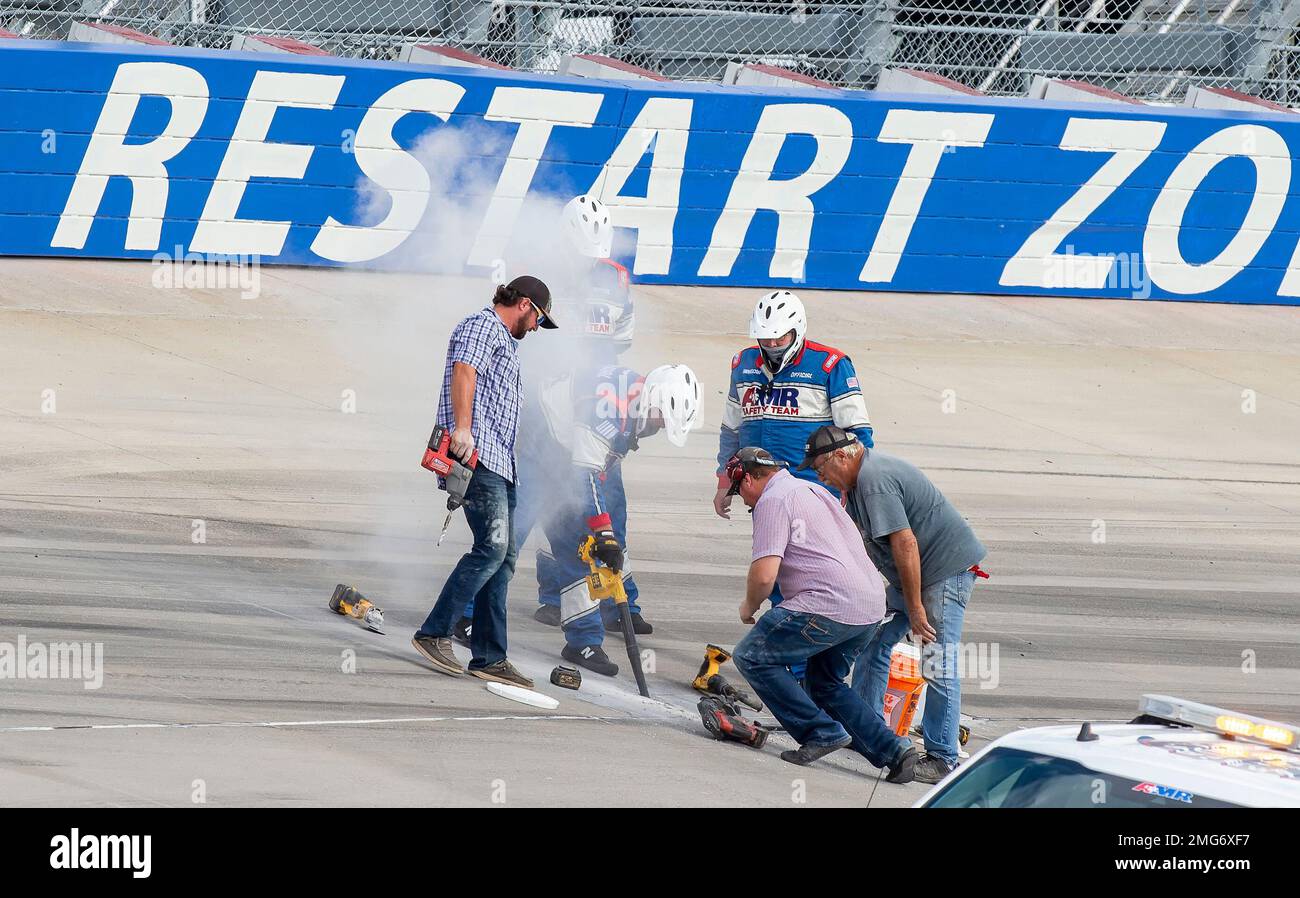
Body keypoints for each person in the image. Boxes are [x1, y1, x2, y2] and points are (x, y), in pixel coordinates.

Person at [454, 195, 639, 643]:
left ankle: (621, 601)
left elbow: (619, 345)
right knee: (534, 504)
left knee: (607, 499)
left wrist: (604, 398)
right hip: (541, 407)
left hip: (590, 403)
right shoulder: (534, 276)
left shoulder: (615, 277)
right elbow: (513, 338)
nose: (588, 264)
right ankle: (546, 599)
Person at [799, 425, 988, 784]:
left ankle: (943, 757)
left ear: (842, 455)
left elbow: (904, 543)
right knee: (872, 637)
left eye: (820, 467)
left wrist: (915, 610)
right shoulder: (854, 486)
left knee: (937, 659)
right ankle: (868, 729)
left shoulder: (874, 479)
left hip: (943, 572)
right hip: (914, 575)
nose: (818, 474)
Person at [727, 447, 918, 783]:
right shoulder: (812, 490)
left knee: (752, 656)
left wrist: (748, 606)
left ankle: (820, 731)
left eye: (739, 488)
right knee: (824, 682)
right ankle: (895, 750)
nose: (742, 500)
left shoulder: (773, 500)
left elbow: (764, 575)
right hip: (869, 606)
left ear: (751, 477)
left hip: (828, 604)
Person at [411, 275, 556, 688]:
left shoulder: (506, 341)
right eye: (538, 319)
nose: (536, 329)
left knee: (505, 556)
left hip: (500, 463)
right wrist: (462, 428)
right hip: (478, 458)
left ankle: (490, 655)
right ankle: (434, 632)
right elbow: (464, 372)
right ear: (526, 304)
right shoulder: (483, 326)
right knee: (491, 548)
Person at [525, 362, 701, 675]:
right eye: (661, 419)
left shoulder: (639, 398)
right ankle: (467, 615)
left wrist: (603, 529)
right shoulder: (606, 411)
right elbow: (585, 474)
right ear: (653, 400)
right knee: (524, 537)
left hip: (569, 450)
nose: (659, 427)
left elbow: (598, 464)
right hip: (534, 442)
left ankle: (588, 634)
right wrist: (603, 532)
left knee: (588, 539)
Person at [712, 290, 872, 520]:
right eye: (765, 338)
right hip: (763, 489)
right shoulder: (742, 364)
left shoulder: (831, 365)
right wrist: (724, 481)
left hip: (816, 489)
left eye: (780, 337)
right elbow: (731, 430)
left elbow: (858, 434)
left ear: (797, 330)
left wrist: (859, 488)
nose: (773, 344)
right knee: (771, 552)